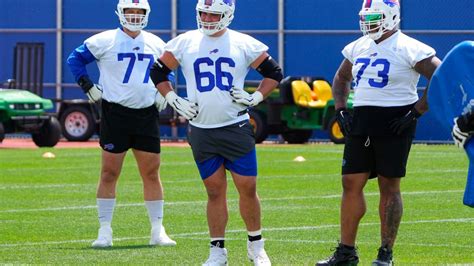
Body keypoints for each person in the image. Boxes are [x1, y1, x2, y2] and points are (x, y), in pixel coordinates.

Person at [149, 0, 282, 264]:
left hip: (235, 125)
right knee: (214, 191)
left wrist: (255, 98)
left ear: (228, 14)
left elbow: (274, 73)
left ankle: (256, 246)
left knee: (247, 187)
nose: (208, 19)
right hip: (201, 129)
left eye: (214, 14)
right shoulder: (185, 42)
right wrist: (174, 98)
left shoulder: (243, 43)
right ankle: (217, 251)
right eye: (204, 13)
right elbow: (158, 71)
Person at [316, 0, 441, 265]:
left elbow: (441, 75)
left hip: (395, 119)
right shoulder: (358, 46)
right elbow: (341, 77)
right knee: (350, 183)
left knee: (389, 185)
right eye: (366, 17)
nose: (368, 22)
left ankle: (385, 254)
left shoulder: (410, 47)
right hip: (362, 119)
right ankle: (346, 252)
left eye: (374, 17)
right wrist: (340, 109)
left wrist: (417, 111)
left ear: (391, 16)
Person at [66, 0, 176, 248]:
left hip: (146, 113)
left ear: (147, 14)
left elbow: (169, 69)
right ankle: (104, 230)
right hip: (115, 113)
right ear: (120, 13)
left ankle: (157, 230)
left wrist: (164, 92)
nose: (135, 16)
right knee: (109, 173)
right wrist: (87, 86)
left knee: (151, 172)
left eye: (139, 12)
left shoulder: (158, 43)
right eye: (130, 11)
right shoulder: (105, 40)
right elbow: (75, 59)